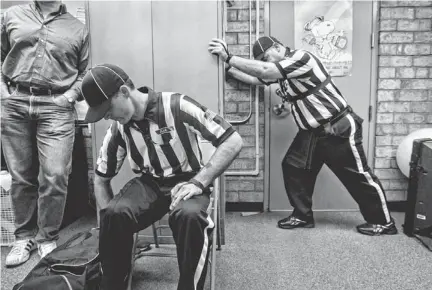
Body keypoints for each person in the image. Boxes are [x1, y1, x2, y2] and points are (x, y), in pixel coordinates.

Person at [208, 36, 397, 236]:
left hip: (337, 126)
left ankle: (383, 222)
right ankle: (302, 216)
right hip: (311, 132)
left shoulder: (301, 58)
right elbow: (257, 79)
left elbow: (265, 71)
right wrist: (228, 70)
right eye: (262, 59)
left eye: (266, 56)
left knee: (357, 175)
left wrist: (228, 57)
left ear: (278, 47)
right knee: (293, 166)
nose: (265, 61)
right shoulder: (283, 72)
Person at [81, 63, 242, 290]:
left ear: (124, 93)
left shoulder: (177, 106)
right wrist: (111, 232)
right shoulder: (119, 128)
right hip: (150, 183)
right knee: (114, 214)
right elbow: (100, 178)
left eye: (107, 108)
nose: (107, 116)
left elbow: (233, 140)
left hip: (188, 180)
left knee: (190, 216)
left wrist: (199, 182)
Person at [1, 0, 89, 266]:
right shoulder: (11, 15)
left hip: (56, 107)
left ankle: (46, 238)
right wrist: (3, 94)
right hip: (15, 102)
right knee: (21, 176)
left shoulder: (78, 29)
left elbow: (85, 72)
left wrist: (69, 97)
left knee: (56, 174)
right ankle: (23, 237)